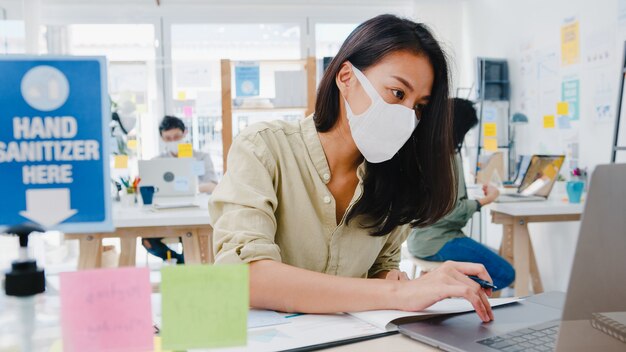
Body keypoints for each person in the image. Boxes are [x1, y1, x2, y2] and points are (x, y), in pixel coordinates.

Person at [209, 15, 494, 322]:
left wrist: (392, 279)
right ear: (347, 78)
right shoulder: (264, 148)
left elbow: (382, 268)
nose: (407, 115)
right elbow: (247, 278)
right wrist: (400, 294)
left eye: (418, 106)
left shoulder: (398, 178)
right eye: (397, 93)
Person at [406, 98, 515, 291]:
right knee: (506, 273)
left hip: (419, 240)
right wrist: (486, 200)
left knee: (488, 262)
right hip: (438, 241)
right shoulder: (447, 158)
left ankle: (446, 285)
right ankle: (450, 289)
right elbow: (452, 212)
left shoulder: (427, 152)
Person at [142, 115, 219, 264]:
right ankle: (181, 262)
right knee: (147, 240)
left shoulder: (201, 157)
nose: (173, 141)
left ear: (185, 133)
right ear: (162, 138)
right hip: (165, 215)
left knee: (193, 240)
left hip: (195, 214)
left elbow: (213, 185)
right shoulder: (156, 162)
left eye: (176, 136)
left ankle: (185, 267)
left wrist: (191, 188)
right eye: (168, 138)